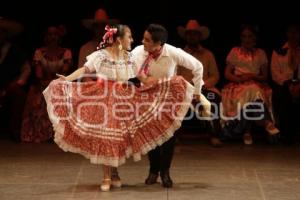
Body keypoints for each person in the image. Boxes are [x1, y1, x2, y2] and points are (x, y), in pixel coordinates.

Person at [43, 24, 195, 191]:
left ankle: (114, 173)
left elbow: (144, 79)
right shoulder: (101, 56)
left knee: (118, 137)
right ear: (119, 40)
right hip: (104, 97)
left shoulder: (130, 58)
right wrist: (67, 79)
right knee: (107, 136)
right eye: (129, 37)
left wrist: (167, 84)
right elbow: (84, 70)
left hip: (124, 98)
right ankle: (107, 176)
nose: (132, 40)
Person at [131, 23, 205, 188]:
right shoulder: (138, 52)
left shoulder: (172, 52)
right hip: (148, 97)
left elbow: (198, 66)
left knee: (168, 137)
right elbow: (126, 66)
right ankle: (153, 171)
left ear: (158, 43)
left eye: (147, 40)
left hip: (168, 97)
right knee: (152, 136)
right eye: (144, 38)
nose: (143, 41)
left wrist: (197, 92)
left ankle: (165, 172)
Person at [221, 24, 279, 145]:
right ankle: (265, 122)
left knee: (252, 90)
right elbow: (227, 74)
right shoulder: (235, 51)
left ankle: (247, 131)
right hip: (238, 84)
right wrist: (240, 79)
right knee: (249, 91)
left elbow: (265, 76)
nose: (247, 39)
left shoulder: (260, 53)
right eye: (244, 36)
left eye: (250, 36)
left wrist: (252, 76)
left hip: (255, 83)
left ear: (255, 38)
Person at [21, 25, 72, 143]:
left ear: (59, 37)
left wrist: (54, 83)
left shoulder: (66, 52)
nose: (53, 37)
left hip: (59, 85)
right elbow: (39, 74)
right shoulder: (39, 52)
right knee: (38, 96)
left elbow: (64, 71)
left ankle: (60, 133)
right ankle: (42, 133)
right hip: (43, 85)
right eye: (50, 34)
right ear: (45, 37)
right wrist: (48, 83)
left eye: (55, 34)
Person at [177, 19, 222, 147]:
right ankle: (174, 135)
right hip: (184, 88)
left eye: (195, 34)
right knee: (174, 99)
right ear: (186, 36)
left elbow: (215, 76)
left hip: (204, 89)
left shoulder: (208, 55)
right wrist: (186, 85)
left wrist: (201, 85)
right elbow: (175, 74)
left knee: (211, 100)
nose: (192, 36)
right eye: (189, 33)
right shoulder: (179, 54)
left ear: (199, 36)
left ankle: (214, 135)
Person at [0, 17, 31, 141]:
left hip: (9, 86)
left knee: (18, 94)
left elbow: (26, 70)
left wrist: (18, 83)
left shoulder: (15, 50)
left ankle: (15, 129)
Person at [271, 24, 300, 143]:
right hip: (284, 84)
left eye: (296, 32)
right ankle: (287, 133)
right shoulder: (279, 51)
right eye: (291, 32)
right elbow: (275, 73)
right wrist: (288, 84)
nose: (293, 35)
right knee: (281, 95)